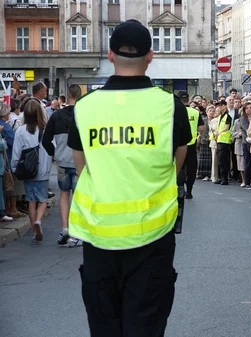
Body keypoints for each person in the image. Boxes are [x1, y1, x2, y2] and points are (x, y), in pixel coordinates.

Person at [66, 20, 191, 336]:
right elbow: (176, 163)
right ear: (150, 56)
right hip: (153, 235)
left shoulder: (85, 107)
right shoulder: (169, 106)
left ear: (110, 55)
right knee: (145, 327)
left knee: (104, 327)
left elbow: (83, 169)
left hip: (98, 236)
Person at [42, 84, 82, 247]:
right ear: (79, 96)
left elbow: (45, 140)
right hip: (80, 163)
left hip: (62, 162)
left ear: (66, 96)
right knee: (79, 197)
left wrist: (54, 153)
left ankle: (64, 228)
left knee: (64, 194)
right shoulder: (83, 114)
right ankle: (76, 232)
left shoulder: (57, 115)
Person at [12, 100, 52, 242]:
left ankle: (34, 231)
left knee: (31, 200)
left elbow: (16, 152)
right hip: (43, 170)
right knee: (42, 200)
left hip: (28, 171)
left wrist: (14, 167)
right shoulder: (45, 129)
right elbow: (51, 149)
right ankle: (39, 221)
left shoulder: (21, 131)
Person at [177, 91, 203, 199]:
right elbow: (201, 128)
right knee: (191, 169)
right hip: (191, 144)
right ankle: (189, 191)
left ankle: (181, 187)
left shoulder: (175, 111)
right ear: (188, 100)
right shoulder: (195, 112)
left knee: (180, 167)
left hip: (179, 144)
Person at [215, 98, 233, 185]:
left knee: (223, 160)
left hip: (224, 141)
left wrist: (219, 133)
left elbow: (227, 127)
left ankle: (225, 178)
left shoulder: (227, 116)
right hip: (219, 140)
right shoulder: (220, 117)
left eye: (221, 105)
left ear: (225, 106)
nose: (219, 107)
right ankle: (221, 177)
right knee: (220, 160)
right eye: (219, 105)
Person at [196, 105, 212, 181]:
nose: (211, 113)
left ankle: (208, 174)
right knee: (202, 158)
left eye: (213, 111)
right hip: (204, 140)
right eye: (210, 111)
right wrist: (206, 138)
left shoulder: (215, 120)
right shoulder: (204, 120)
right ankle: (201, 174)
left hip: (212, 141)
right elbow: (201, 130)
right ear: (207, 112)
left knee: (209, 159)